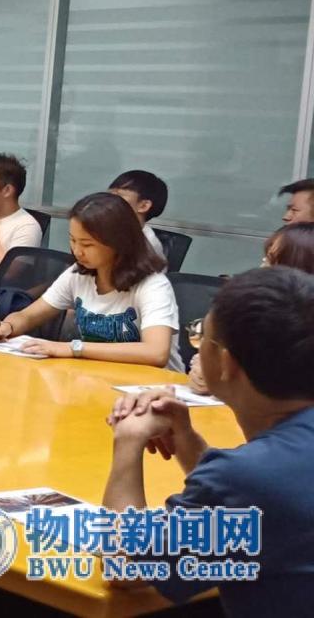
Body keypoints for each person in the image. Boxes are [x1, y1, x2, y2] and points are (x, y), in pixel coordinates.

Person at [103, 266, 314, 615]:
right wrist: (185, 439)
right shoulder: (261, 472)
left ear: (226, 362)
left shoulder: (248, 478)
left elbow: (127, 566)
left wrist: (129, 439)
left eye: (201, 335)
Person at [0, 192, 181, 369]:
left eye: (87, 244)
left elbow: (156, 352)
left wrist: (73, 348)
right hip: (100, 376)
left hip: (156, 388)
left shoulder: (153, 285)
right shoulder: (78, 274)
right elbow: (29, 316)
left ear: (118, 242)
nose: (77, 251)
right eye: (73, 240)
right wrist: (7, 327)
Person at [189, 222, 314, 394]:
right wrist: (204, 371)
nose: (262, 266)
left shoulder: (300, 324)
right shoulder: (255, 308)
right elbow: (218, 355)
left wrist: (224, 381)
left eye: (270, 259)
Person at [109, 169, 168, 260]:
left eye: (118, 196)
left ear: (144, 206)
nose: (106, 200)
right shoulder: (105, 230)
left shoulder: (146, 248)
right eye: (108, 195)